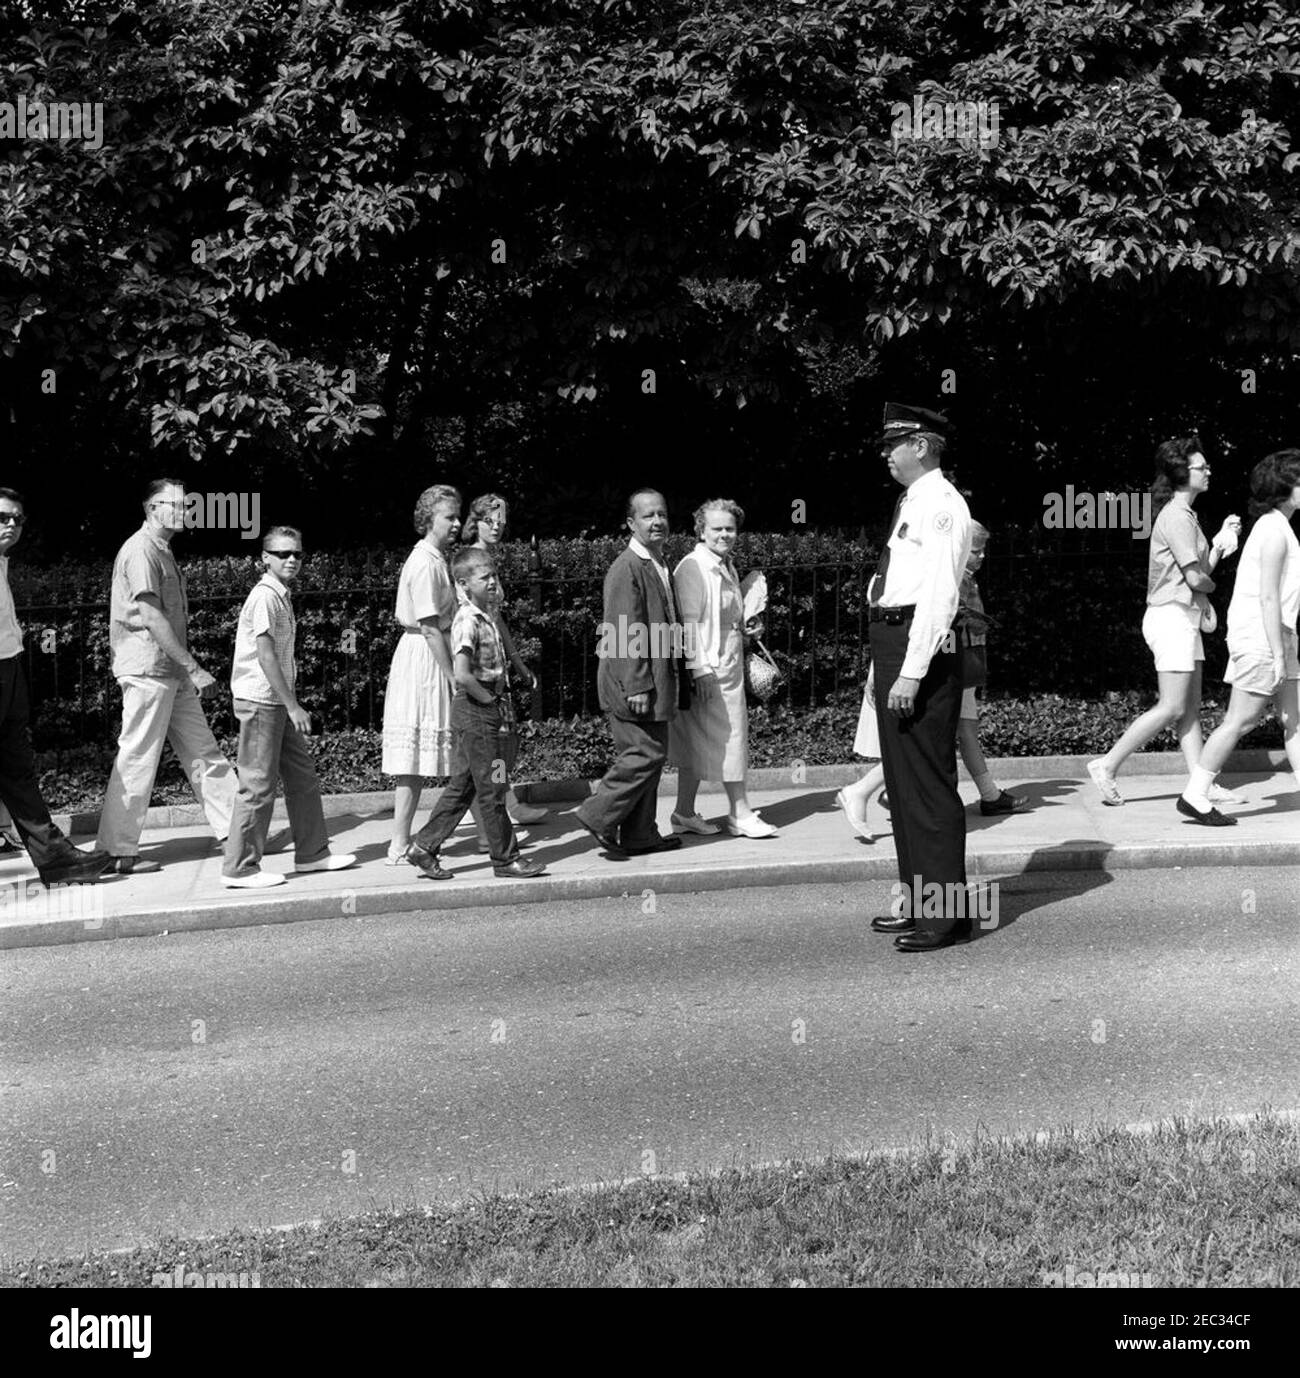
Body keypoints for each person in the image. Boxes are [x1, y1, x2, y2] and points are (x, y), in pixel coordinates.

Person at [864, 403, 973, 952]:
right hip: (896, 640)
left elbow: (938, 597)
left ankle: (945, 916)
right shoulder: (915, 499)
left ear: (923, 446)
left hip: (917, 647)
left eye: (894, 443)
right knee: (904, 785)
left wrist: (910, 672)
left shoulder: (942, 505)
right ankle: (921, 901)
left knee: (926, 783)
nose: (887, 452)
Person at [1086, 437, 1243, 807]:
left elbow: (1196, 571)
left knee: (1189, 710)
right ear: (1181, 472)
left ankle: (1199, 785)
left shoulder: (1187, 516)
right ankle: (1106, 765)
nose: (1208, 471)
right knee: (1172, 707)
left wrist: (1220, 544)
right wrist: (1213, 580)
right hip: (1172, 615)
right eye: (1201, 467)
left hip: (1183, 615)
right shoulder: (1176, 515)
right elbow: (1196, 580)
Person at [838, 521, 1020, 839]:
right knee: (932, 741)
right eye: (975, 550)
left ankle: (895, 794)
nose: (981, 557)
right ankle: (864, 790)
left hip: (956, 667)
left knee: (947, 736)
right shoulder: (944, 578)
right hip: (948, 668)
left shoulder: (958, 577)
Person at [97, 478, 238, 873]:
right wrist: (193, 667)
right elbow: (150, 615)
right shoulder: (142, 550)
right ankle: (117, 851)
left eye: (186, 505)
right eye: (174, 504)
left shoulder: (161, 549)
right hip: (148, 670)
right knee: (139, 756)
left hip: (168, 672)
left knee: (203, 752)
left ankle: (237, 830)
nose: (184, 511)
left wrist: (184, 668)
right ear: (150, 508)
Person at [221, 527, 358, 888]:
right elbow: (265, 656)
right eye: (282, 554)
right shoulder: (265, 596)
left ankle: (313, 854)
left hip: (275, 704)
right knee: (257, 786)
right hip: (261, 702)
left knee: (302, 778)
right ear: (264, 558)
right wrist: (293, 706)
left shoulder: (280, 594)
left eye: (296, 553)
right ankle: (239, 868)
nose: (291, 559)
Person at [404, 547, 547, 879]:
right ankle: (506, 859)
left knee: (464, 785)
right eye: (485, 578)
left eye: (494, 575)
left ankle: (423, 848)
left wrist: (519, 673)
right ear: (463, 584)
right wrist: (490, 702)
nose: (494, 582)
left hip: (482, 711)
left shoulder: (487, 614)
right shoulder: (467, 620)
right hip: (478, 711)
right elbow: (463, 674)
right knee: (494, 787)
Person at [1177, 449, 1300, 823]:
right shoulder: (1273, 531)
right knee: (1241, 720)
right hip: (1263, 639)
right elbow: (1266, 597)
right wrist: (1278, 654)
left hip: (1279, 636)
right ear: (1285, 488)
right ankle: (1195, 794)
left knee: (1295, 719)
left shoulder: (1278, 527)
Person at [0, 487, 114, 886]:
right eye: (2, 517)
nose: (11, 524)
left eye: (17, 518)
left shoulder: (2, 561)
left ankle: (56, 859)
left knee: (17, 771)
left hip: (8, 670)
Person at [573, 489, 689, 856]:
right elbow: (623, 629)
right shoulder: (627, 567)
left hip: (655, 679)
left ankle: (640, 835)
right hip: (633, 682)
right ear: (631, 523)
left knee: (650, 758)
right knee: (645, 754)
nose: (657, 521)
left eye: (661, 514)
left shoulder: (655, 561)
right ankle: (596, 814)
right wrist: (637, 685)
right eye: (647, 516)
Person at [669, 499, 776, 837]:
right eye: (717, 528)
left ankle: (683, 813)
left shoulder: (724, 564)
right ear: (701, 530)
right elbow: (687, 624)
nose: (724, 534)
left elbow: (725, 616)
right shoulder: (693, 567)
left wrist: (746, 627)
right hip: (711, 670)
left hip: (727, 665)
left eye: (730, 528)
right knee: (731, 737)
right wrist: (699, 670)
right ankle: (740, 814)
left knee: (696, 742)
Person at [381, 485, 461, 864]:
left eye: (457, 516)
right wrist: (453, 676)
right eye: (450, 517)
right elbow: (430, 627)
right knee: (416, 758)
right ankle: (400, 842)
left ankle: (407, 840)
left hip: (428, 652)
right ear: (430, 520)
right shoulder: (426, 562)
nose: (457, 524)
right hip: (426, 659)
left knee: (455, 753)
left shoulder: (434, 558)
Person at [461, 492, 548, 829]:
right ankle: (496, 810)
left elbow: (497, 620)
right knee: (495, 743)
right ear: (477, 521)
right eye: (490, 520)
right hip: (481, 667)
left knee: (501, 743)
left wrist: (518, 663)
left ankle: (503, 803)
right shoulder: (471, 561)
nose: (496, 526)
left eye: (501, 521)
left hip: (496, 663)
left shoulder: (488, 559)